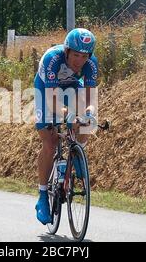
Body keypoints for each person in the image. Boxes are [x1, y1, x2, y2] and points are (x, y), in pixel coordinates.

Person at [34, 28, 98, 225]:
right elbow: (53, 100)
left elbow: (90, 99)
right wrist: (67, 114)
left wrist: (88, 113)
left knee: (86, 124)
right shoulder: (53, 59)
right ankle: (43, 196)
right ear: (67, 51)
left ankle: (77, 153)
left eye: (84, 56)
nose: (79, 61)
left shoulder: (91, 65)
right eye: (76, 55)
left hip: (71, 87)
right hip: (47, 91)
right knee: (50, 143)